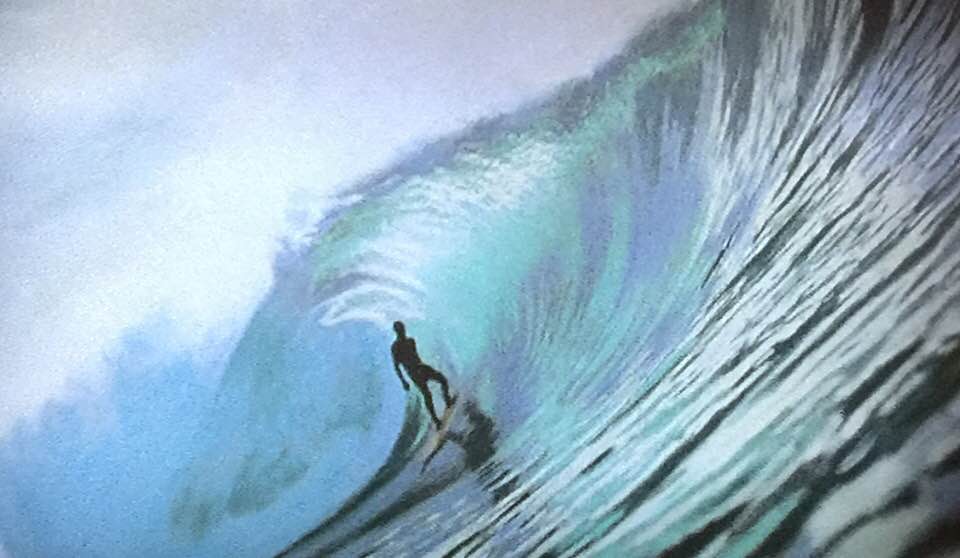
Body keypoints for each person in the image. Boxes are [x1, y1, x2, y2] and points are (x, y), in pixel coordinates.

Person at [391, 321, 455, 429]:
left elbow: (415, 356)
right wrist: (403, 381)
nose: (402, 331)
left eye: (402, 328)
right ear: (396, 331)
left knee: (442, 380)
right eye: (399, 330)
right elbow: (396, 366)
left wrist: (422, 367)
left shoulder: (411, 341)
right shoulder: (395, 347)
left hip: (422, 367)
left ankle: (447, 400)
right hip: (413, 373)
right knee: (427, 394)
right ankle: (436, 421)